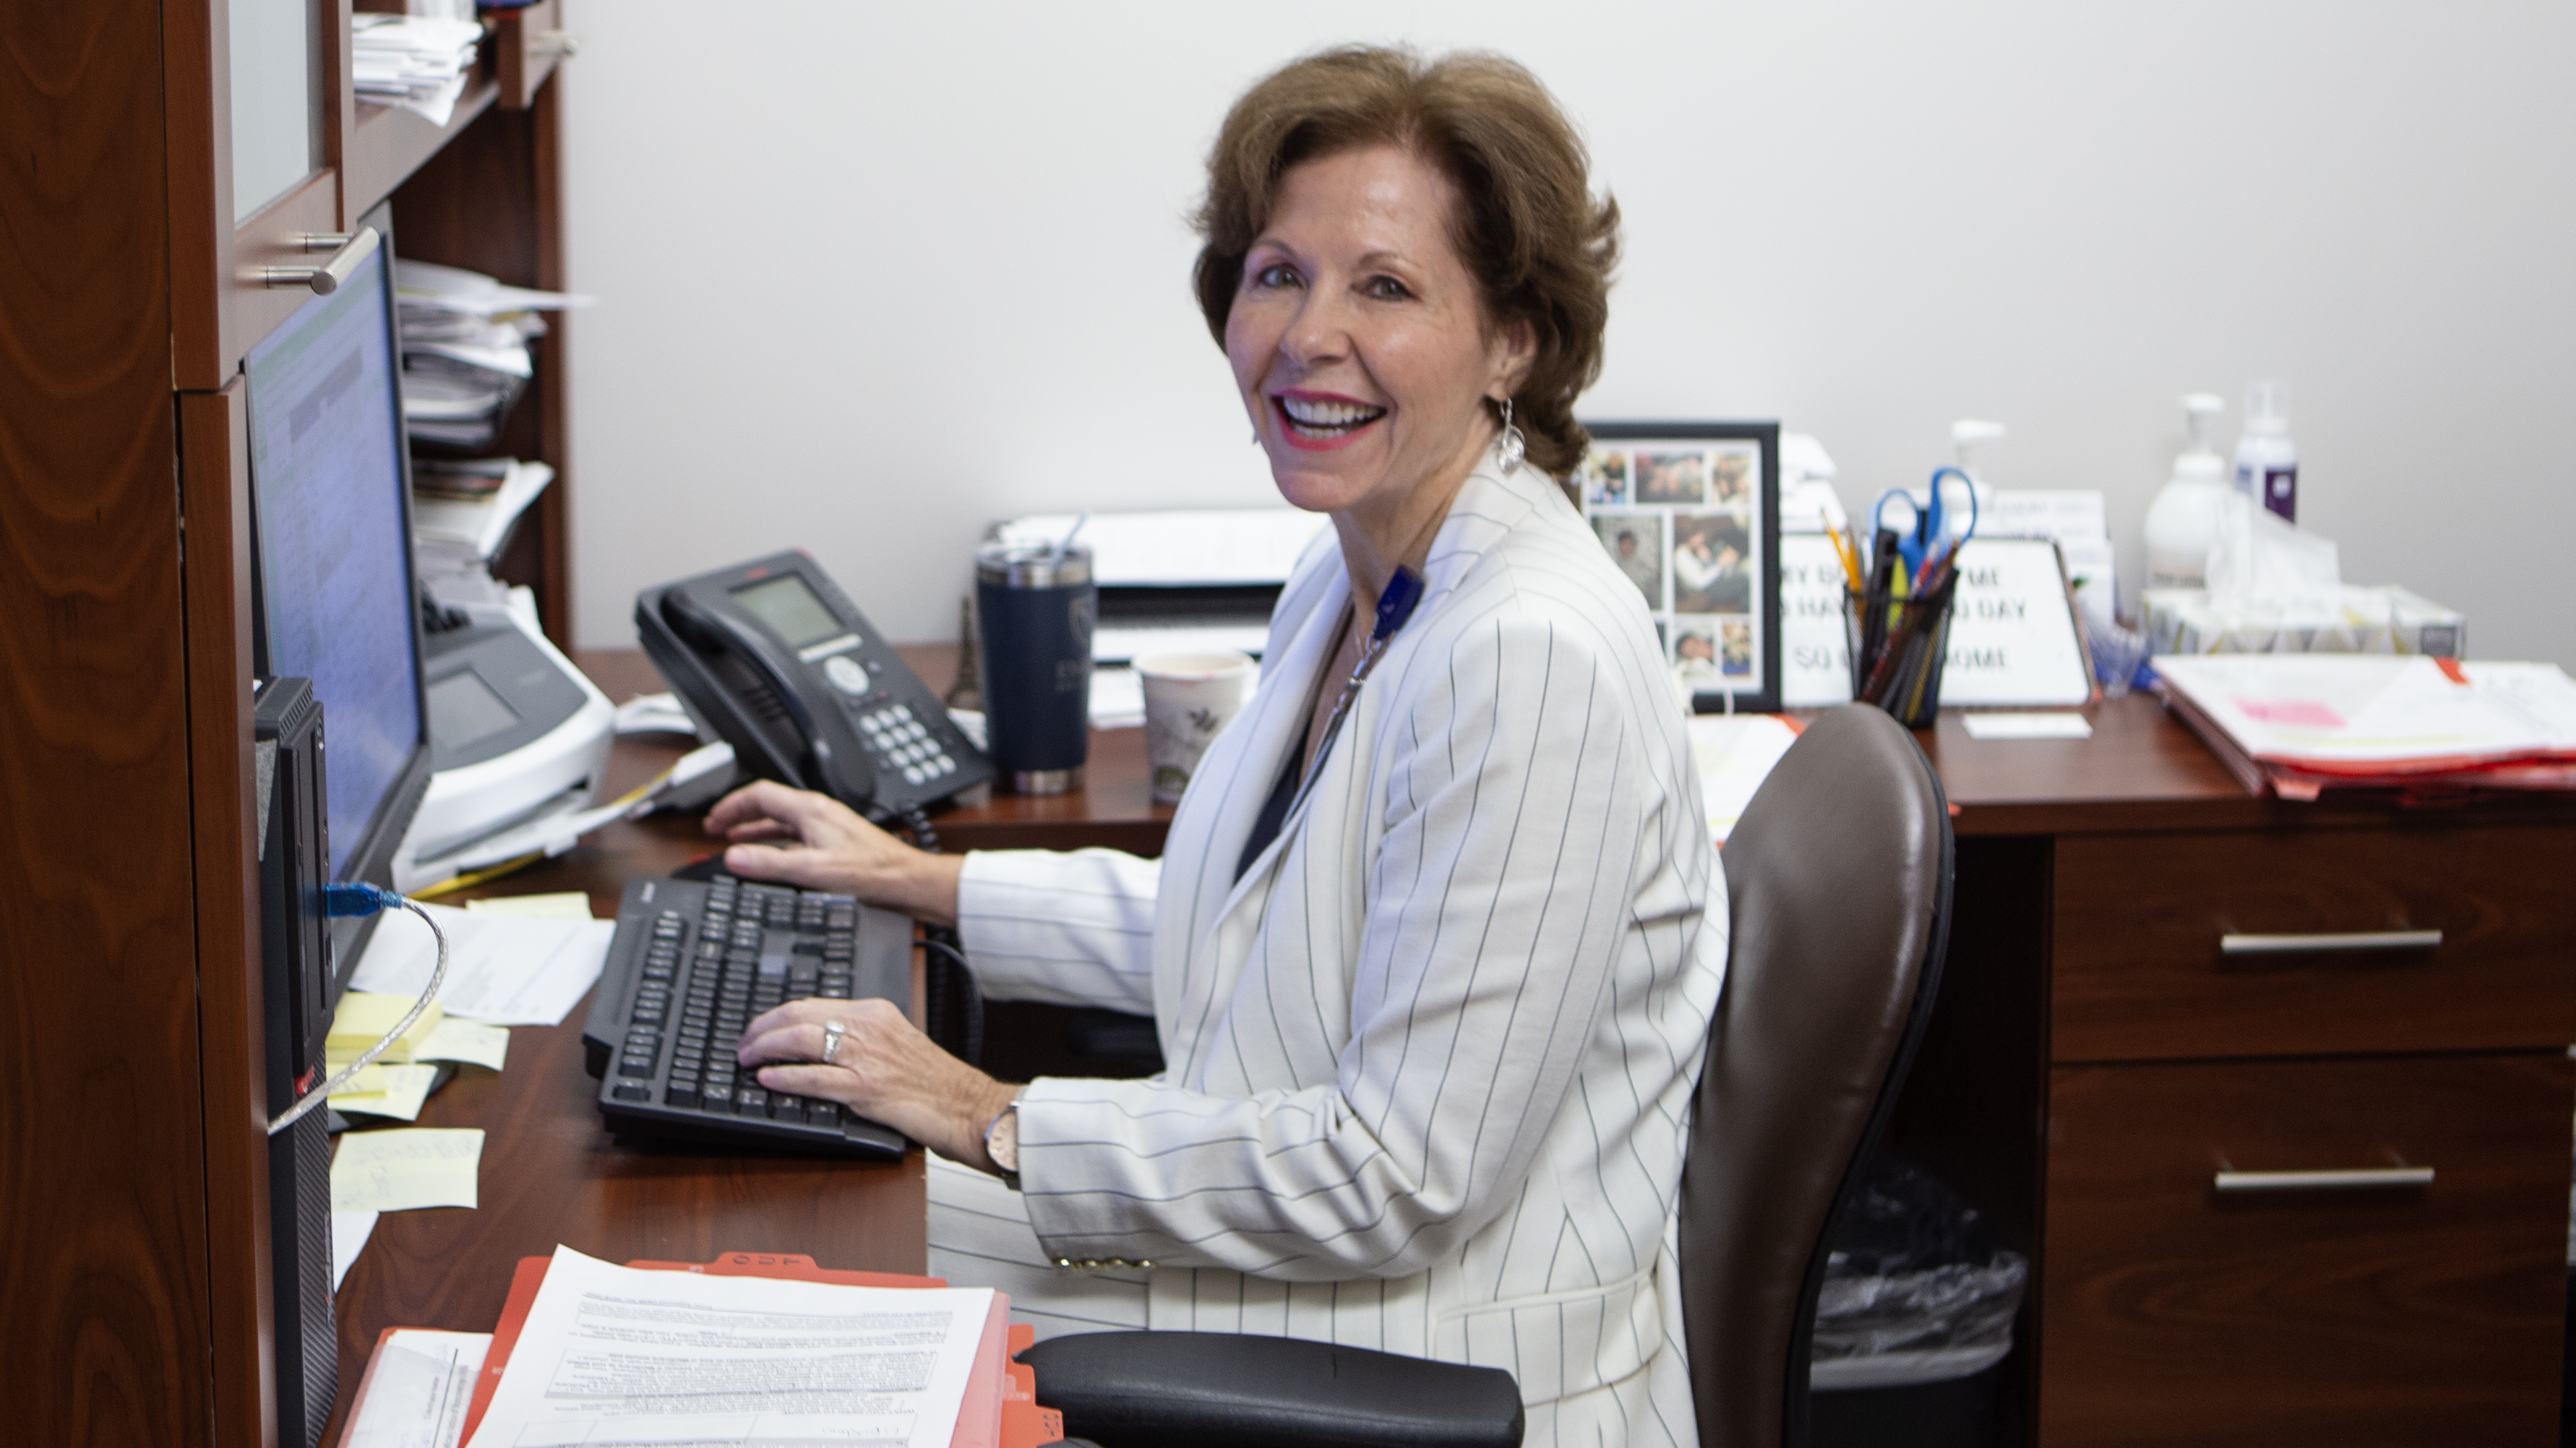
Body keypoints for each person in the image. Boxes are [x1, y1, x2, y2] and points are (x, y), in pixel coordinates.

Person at [712, 46, 1725, 1445]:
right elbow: (1263, 938)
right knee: (771, 1222)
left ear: (1513, 339)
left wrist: (989, 1110)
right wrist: (919, 884)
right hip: (1326, 1294)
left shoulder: (1526, 655)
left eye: (1384, 286)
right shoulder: (1358, 571)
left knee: (772, 1277)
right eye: (1277, 275)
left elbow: (1399, 1174)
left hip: (1436, 1360)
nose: (1308, 334)